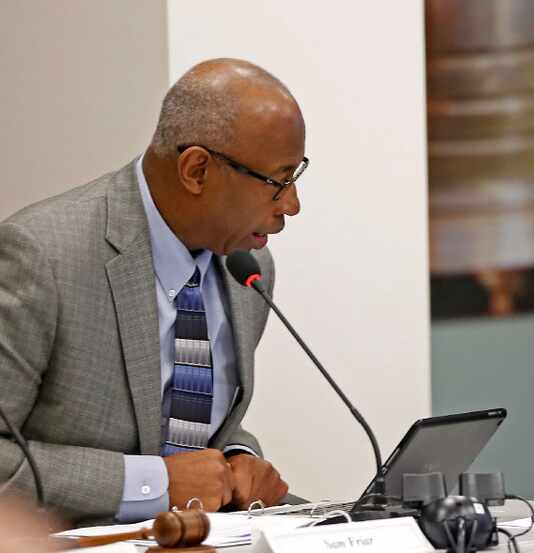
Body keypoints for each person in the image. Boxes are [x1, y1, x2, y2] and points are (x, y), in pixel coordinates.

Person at [0, 58, 307, 525]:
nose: (292, 205)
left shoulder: (249, 268)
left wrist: (239, 459)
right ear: (197, 171)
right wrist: (153, 484)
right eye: (277, 182)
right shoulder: (42, 256)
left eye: (296, 177)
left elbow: (188, 426)